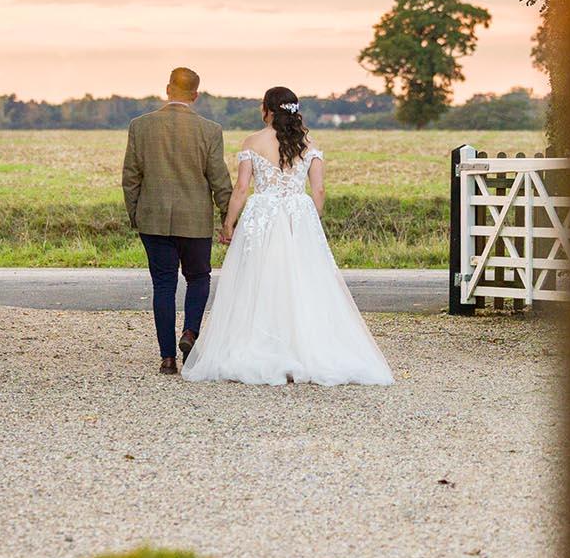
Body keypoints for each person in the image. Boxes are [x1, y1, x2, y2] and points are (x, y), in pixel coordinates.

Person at [181, 86, 394, 387]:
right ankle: (304, 348)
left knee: (258, 279)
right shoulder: (309, 143)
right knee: (302, 280)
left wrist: (229, 221)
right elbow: (318, 190)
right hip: (297, 216)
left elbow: (242, 188)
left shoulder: (253, 142)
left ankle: (260, 344)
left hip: (262, 215)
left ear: (265, 109)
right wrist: (310, 219)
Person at [121, 66, 233, 374]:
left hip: (153, 219)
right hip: (195, 220)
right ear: (196, 95)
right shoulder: (210, 130)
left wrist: (136, 214)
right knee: (198, 278)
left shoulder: (140, 126)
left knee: (163, 285)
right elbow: (219, 179)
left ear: (168, 89)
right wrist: (229, 217)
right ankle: (190, 332)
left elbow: (131, 176)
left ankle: (167, 359)